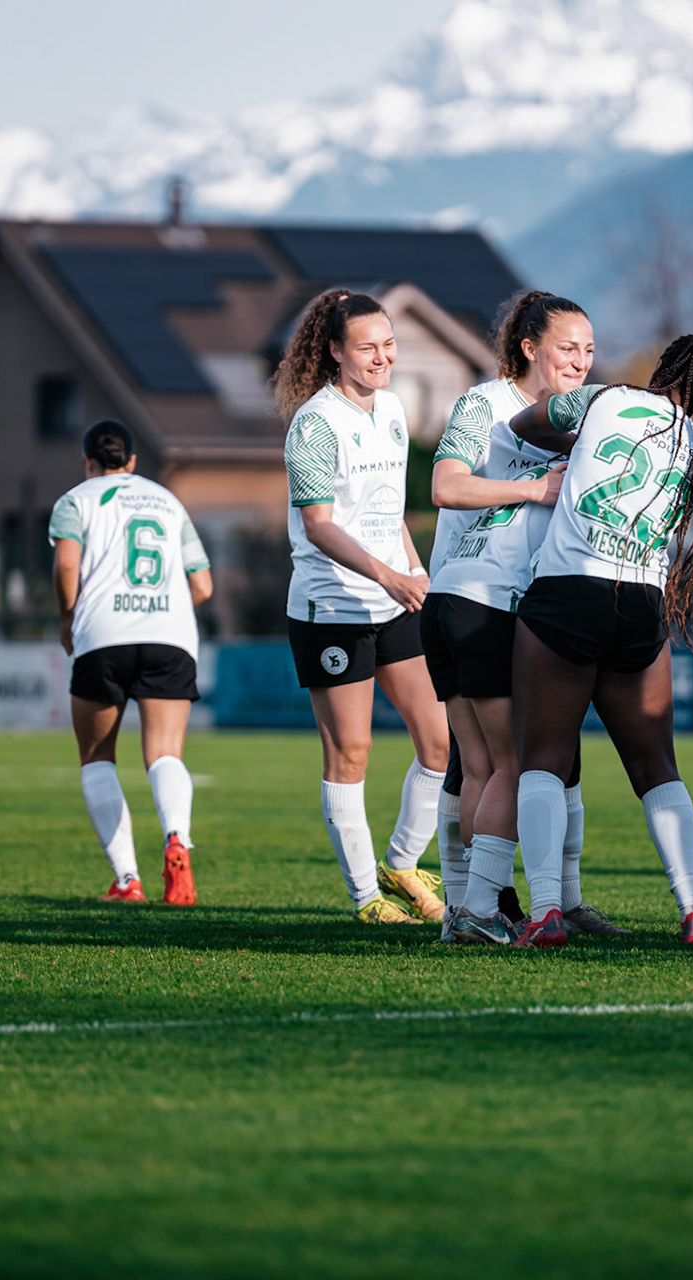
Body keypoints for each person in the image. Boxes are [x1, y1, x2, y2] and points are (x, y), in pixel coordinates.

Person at [464, 332, 693, 949]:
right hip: (642, 605)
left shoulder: (605, 400)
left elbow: (525, 423)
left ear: (666, 366)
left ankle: (545, 912)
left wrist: (577, 449)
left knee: (543, 759)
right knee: (657, 768)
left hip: (569, 591)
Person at [422, 290, 627, 943]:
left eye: (590, 350)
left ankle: (487, 908)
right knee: (513, 763)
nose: (581, 360)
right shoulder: (487, 402)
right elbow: (446, 485)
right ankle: (476, 906)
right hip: (485, 596)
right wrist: (536, 487)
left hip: (473, 597)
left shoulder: (580, 416)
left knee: (491, 765)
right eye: (568, 347)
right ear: (529, 347)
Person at [273, 289, 451, 924]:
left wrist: (415, 570)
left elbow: (387, 511)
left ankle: (400, 863)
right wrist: (386, 575)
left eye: (389, 344)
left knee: (440, 740)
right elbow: (319, 525)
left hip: (395, 596)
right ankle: (365, 898)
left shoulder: (396, 408)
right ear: (335, 352)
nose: (382, 357)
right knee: (351, 754)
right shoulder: (315, 423)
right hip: (332, 607)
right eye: (367, 347)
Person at [50, 419, 213, 906]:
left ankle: (127, 880)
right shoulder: (167, 500)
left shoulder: (75, 501)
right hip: (169, 636)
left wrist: (67, 619)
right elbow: (203, 585)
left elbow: (65, 565)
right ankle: (177, 839)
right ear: (133, 461)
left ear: (88, 463)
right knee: (165, 754)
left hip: (103, 635)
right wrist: (164, 614)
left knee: (97, 757)